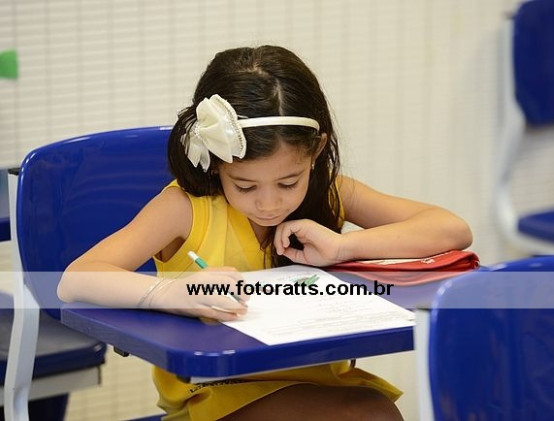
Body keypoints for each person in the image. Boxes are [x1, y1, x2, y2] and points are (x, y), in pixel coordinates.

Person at [58, 45, 472, 421]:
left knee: (373, 413)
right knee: (369, 415)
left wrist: (343, 246)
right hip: (218, 394)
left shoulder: (330, 192)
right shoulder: (184, 209)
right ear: (216, 163)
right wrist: (172, 294)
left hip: (319, 382)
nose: (269, 204)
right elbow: (75, 279)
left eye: (289, 182)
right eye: (245, 186)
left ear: (317, 150)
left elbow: (451, 229)